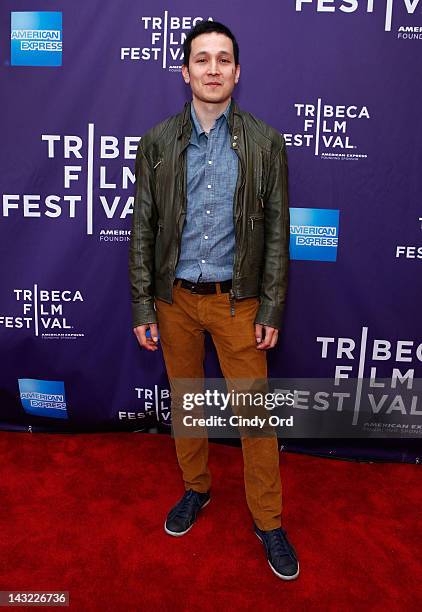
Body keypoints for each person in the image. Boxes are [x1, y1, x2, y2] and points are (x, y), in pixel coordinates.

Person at [129, 20, 299, 581]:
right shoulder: (157, 142)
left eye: (223, 59)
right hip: (175, 300)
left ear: (237, 72)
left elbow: (277, 231)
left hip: (238, 304)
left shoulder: (264, 141)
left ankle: (268, 520)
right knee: (186, 404)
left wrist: (271, 306)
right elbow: (144, 229)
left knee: (255, 416)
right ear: (185, 71)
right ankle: (196, 490)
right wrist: (142, 305)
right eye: (201, 59)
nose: (212, 68)